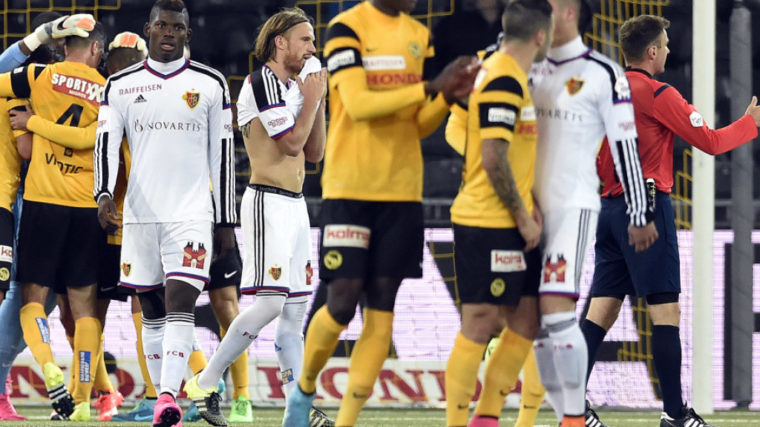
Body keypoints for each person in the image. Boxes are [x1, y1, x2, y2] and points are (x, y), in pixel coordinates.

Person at [281, 0, 478, 425]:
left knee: (382, 309)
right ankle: (303, 391)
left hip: (403, 193)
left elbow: (418, 124)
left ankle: (346, 421)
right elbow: (359, 104)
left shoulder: (419, 35)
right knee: (341, 301)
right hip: (349, 187)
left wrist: (446, 96)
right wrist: (430, 87)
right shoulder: (345, 28)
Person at [582, 14, 760, 427]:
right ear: (651, 52)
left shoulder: (605, 90)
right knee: (666, 313)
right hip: (646, 210)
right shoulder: (659, 93)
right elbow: (710, 142)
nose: (668, 50)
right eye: (664, 45)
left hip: (608, 210)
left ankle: (573, 410)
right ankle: (675, 414)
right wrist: (749, 125)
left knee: (600, 312)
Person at [183, 8, 331, 427]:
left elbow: (314, 153)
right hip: (267, 203)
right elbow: (289, 145)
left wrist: (317, 98)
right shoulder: (261, 81)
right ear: (280, 42)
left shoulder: (294, 87)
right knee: (269, 305)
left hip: (296, 206)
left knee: (293, 317)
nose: (312, 48)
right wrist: (312, 98)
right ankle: (205, 381)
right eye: (305, 40)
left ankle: (297, 410)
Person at [93, 0, 236, 426]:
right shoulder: (119, 85)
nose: (169, 32)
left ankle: (168, 396)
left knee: (180, 302)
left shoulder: (210, 83)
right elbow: (106, 143)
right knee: (152, 310)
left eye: (177, 26)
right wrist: (103, 193)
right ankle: (163, 399)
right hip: (140, 216)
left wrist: (225, 218)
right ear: (148, 29)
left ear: (188, 34)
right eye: (161, 25)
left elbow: (223, 155)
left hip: (191, 215)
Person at [529, 1, 658, 426]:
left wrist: (639, 211)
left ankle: (572, 418)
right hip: (512, 207)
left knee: (557, 314)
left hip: (572, 209)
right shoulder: (515, 59)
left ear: (570, 13)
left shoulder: (605, 74)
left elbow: (625, 148)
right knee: (512, 322)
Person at [444, 2, 552, 427]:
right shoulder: (503, 77)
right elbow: (493, 157)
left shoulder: (507, 73)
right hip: (488, 220)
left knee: (526, 320)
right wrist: (523, 215)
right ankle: (458, 422)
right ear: (540, 36)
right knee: (481, 321)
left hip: (507, 218)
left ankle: (485, 418)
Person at [0, 16, 104, 421]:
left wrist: (31, 120)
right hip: (88, 207)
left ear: (63, 47)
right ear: (96, 49)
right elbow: (90, 139)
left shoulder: (38, 77)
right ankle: (84, 399)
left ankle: (47, 368)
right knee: (83, 309)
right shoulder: (110, 90)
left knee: (31, 300)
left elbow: (25, 148)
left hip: (42, 202)